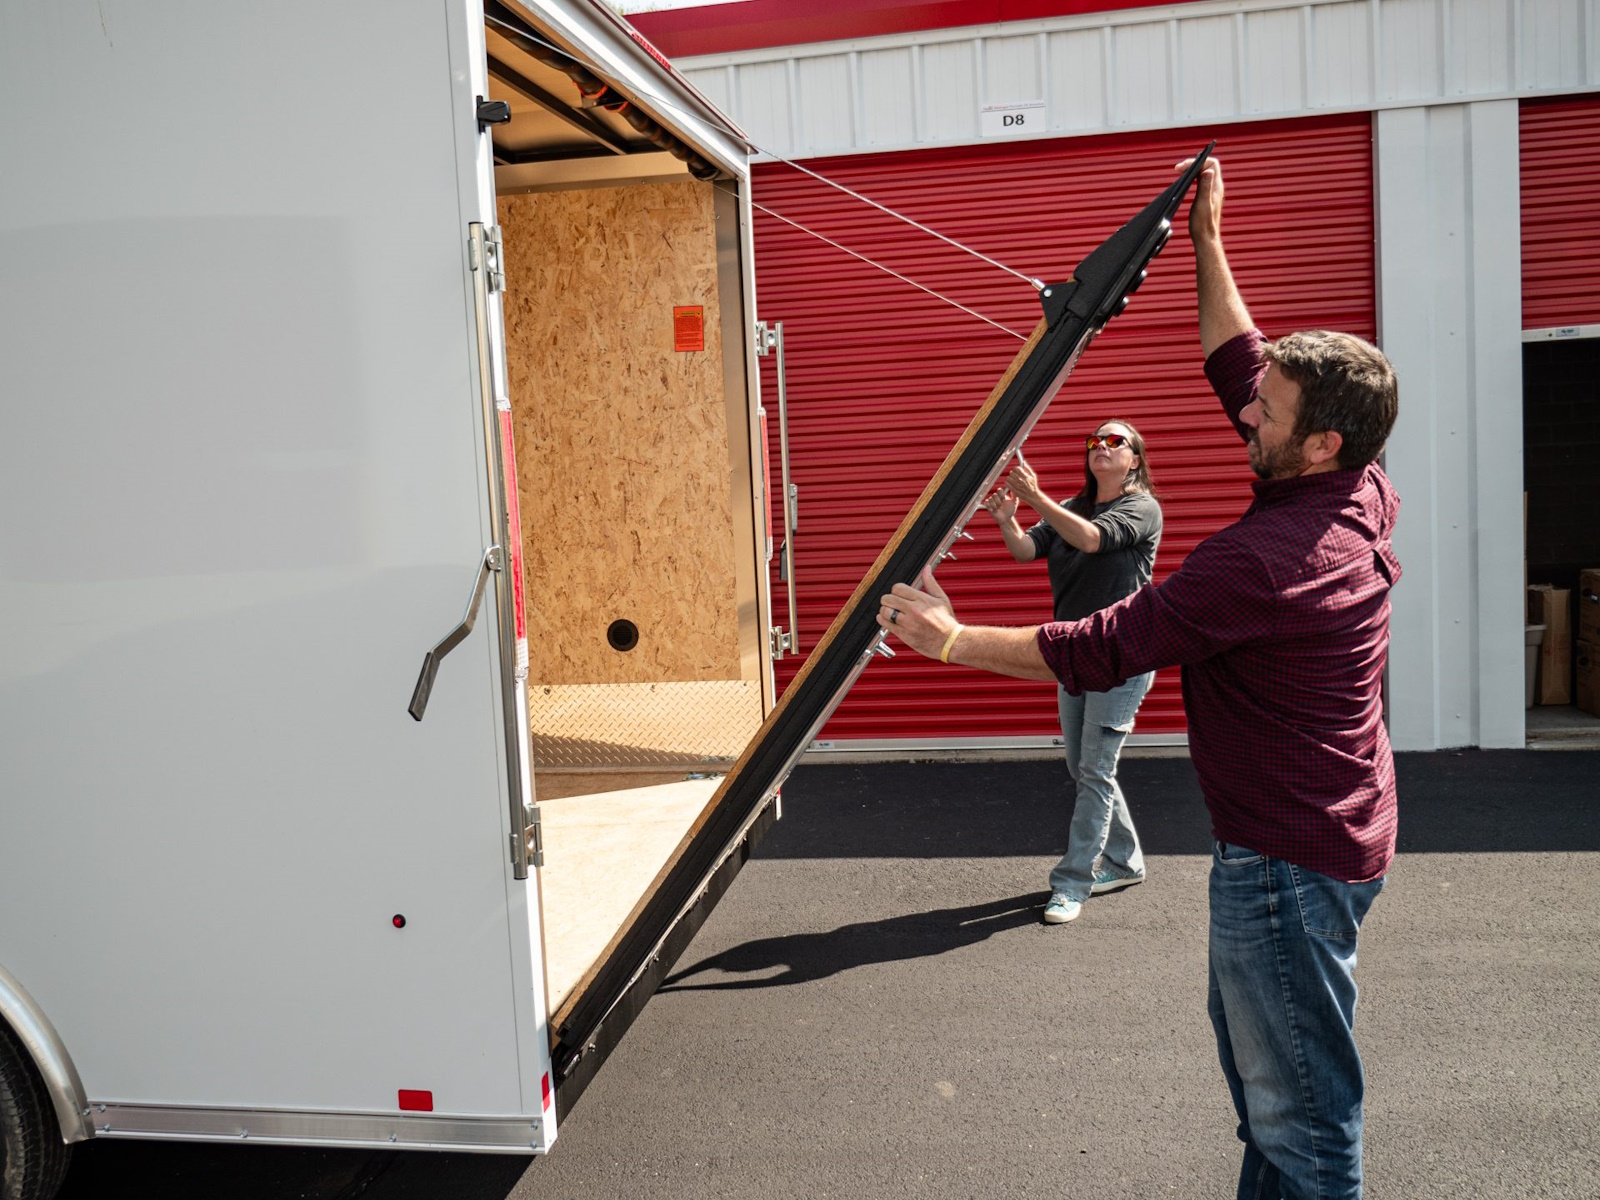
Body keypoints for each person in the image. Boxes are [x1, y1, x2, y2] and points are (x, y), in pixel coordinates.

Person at [877, 157, 1400, 1200]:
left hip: (1287, 865)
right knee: (1273, 1101)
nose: (1246, 416)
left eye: (1268, 414)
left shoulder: (1266, 562)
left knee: (1300, 1120)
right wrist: (1207, 237)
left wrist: (952, 640)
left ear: (1321, 442)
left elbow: (1103, 644)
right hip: (1321, 838)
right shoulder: (1361, 483)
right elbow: (1237, 359)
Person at [982, 428, 1161, 925]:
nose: (1101, 446)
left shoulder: (1142, 508)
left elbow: (1092, 539)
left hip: (1122, 654)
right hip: (1073, 651)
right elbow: (1026, 550)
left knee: (1095, 769)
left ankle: (1073, 883)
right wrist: (1008, 520)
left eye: (1115, 441)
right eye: (1094, 441)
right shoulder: (1069, 507)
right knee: (1083, 766)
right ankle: (1125, 862)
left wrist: (1035, 497)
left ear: (1134, 460)